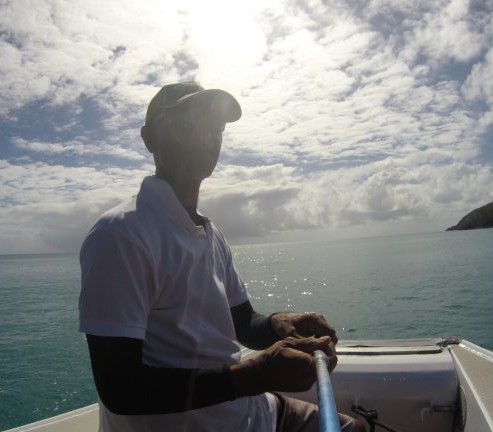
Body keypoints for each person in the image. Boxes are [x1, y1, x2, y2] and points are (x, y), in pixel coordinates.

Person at [78, 82, 361, 431]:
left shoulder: (211, 235)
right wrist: (253, 375)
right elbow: (121, 390)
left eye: (215, 128)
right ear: (149, 138)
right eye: (186, 123)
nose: (205, 135)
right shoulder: (120, 235)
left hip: (249, 412)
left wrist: (279, 323)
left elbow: (243, 323)